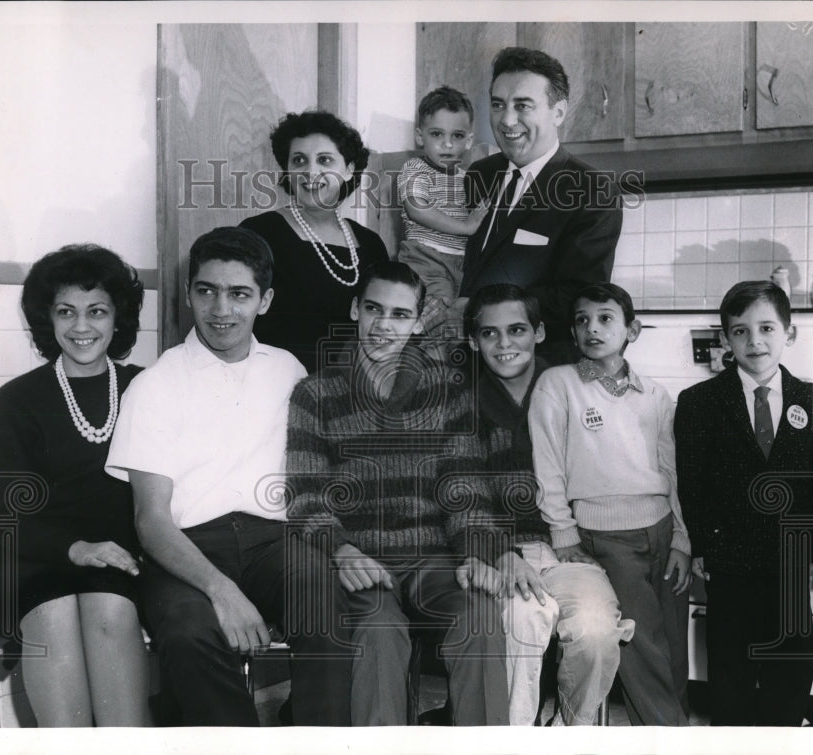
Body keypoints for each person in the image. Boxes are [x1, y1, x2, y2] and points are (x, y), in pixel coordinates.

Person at [105, 227, 353, 726]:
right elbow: (151, 521)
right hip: (186, 548)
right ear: (189, 294)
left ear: (265, 301)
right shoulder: (156, 385)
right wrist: (221, 590)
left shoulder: (288, 371)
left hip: (275, 543)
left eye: (239, 294)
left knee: (327, 609)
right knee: (187, 632)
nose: (221, 310)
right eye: (207, 291)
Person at [285, 260, 509, 726]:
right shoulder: (315, 393)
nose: (384, 326)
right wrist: (341, 550)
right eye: (373, 309)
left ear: (419, 321)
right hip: (363, 561)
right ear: (355, 309)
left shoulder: (448, 391)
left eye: (400, 315)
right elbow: (305, 496)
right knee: (379, 631)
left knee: (480, 620)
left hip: (434, 559)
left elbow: (466, 487)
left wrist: (475, 553)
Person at [0, 244, 149, 726]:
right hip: (32, 562)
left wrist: (110, 552)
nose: (81, 327)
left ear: (119, 318)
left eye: (97, 311)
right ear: (46, 320)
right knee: (52, 616)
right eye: (66, 312)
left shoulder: (145, 388)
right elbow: (2, 520)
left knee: (110, 611)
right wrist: (78, 548)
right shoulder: (18, 400)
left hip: (120, 560)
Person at [464, 283, 635, 726]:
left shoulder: (572, 385)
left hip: (567, 548)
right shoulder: (460, 402)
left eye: (517, 329)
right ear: (472, 340)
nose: (505, 344)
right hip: (499, 551)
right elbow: (458, 492)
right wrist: (496, 552)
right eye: (489, 334)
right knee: (523, 623)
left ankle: (569, 730)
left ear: (539, 333)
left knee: (597, 631)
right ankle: (514, 738)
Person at [674, 281, 813, 727]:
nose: (755, 341)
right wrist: (701, 549)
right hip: (728, 560)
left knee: (793, 665)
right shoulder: (698, 403)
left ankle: (782, 733)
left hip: (789, 559)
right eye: (740, 331)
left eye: (766, 327)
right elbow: (693, 484)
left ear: (789, 332)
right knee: (730, 667)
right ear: (725, 340)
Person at [529, 282, 691, 726]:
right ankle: (668, 737)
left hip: (660, 527)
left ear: (632, 330)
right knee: (643, 647)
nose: (592, 329)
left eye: (605, 318)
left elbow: (672, 471)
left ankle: (675, 727)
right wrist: (563, 533)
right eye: (582, 320)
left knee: (673, 643)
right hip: (606, 535)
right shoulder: (557, 385)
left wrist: (681, 539)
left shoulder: (654, 394)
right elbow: (548, 466)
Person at [459, 47, 622, 365]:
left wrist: (478, 311)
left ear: (558, 112)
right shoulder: (477, 175)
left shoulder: (593, 189)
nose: (507, 120)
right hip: (466, 366)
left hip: (540, 374)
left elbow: (578, 298)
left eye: (522, 105)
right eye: (498, 105)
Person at [240, 109, 389, 372]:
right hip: (276, 382)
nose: (310, 171)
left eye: (325, 160)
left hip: (351, 387)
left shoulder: (371, 244)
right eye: (299, 160)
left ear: (348, 170)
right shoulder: (259, 233)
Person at [397, 85, 489, 335]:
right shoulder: (415, 169)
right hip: (426, 258)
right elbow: (418, 209)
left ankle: (440, 366)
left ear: (469, 140)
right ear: (420, 136)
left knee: (455, 319)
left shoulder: (467, 177)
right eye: (437, 134)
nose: (447, 144)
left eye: (457, 136)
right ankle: (421, 363)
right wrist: (466, 226)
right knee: (434, 317)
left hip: (459, 264)